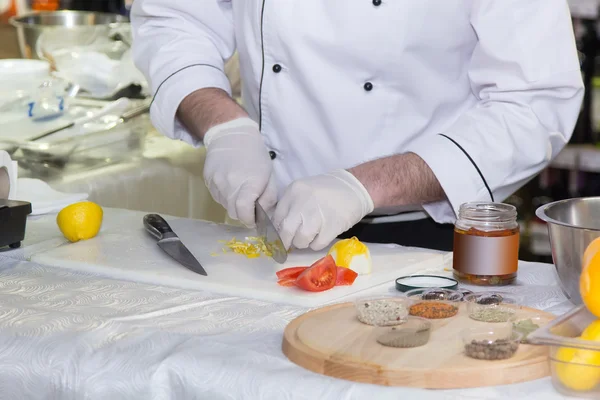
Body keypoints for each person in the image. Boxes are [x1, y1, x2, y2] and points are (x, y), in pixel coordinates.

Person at [131, 0, 583, 252]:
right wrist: (223, 125)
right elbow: (176, 18)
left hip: (427, 243)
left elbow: (534, 102)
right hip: (270, 226)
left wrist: (361, 186)